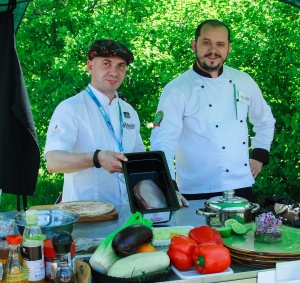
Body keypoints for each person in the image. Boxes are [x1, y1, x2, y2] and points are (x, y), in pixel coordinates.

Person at [150, 20, 275, 204]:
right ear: (194, 45)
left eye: (220, 44)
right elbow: (162, 142)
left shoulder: (244, 81)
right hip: (194, 190)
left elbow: (265, 120)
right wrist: (170, 187)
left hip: (240, 186)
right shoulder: (177, 89)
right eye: (206, 42)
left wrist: (259, 155)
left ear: (228, 48)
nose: (213, 50)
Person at [44, 39, 145, 205]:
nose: (114, 72)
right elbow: (54, 162)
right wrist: (97, 158)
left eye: (121, 65)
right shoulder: (70, 108)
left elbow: (140, 163)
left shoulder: (129, 111)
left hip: (128, 214)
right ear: (90, 66)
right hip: (86, 217)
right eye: (106, 63)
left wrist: (168, 192)